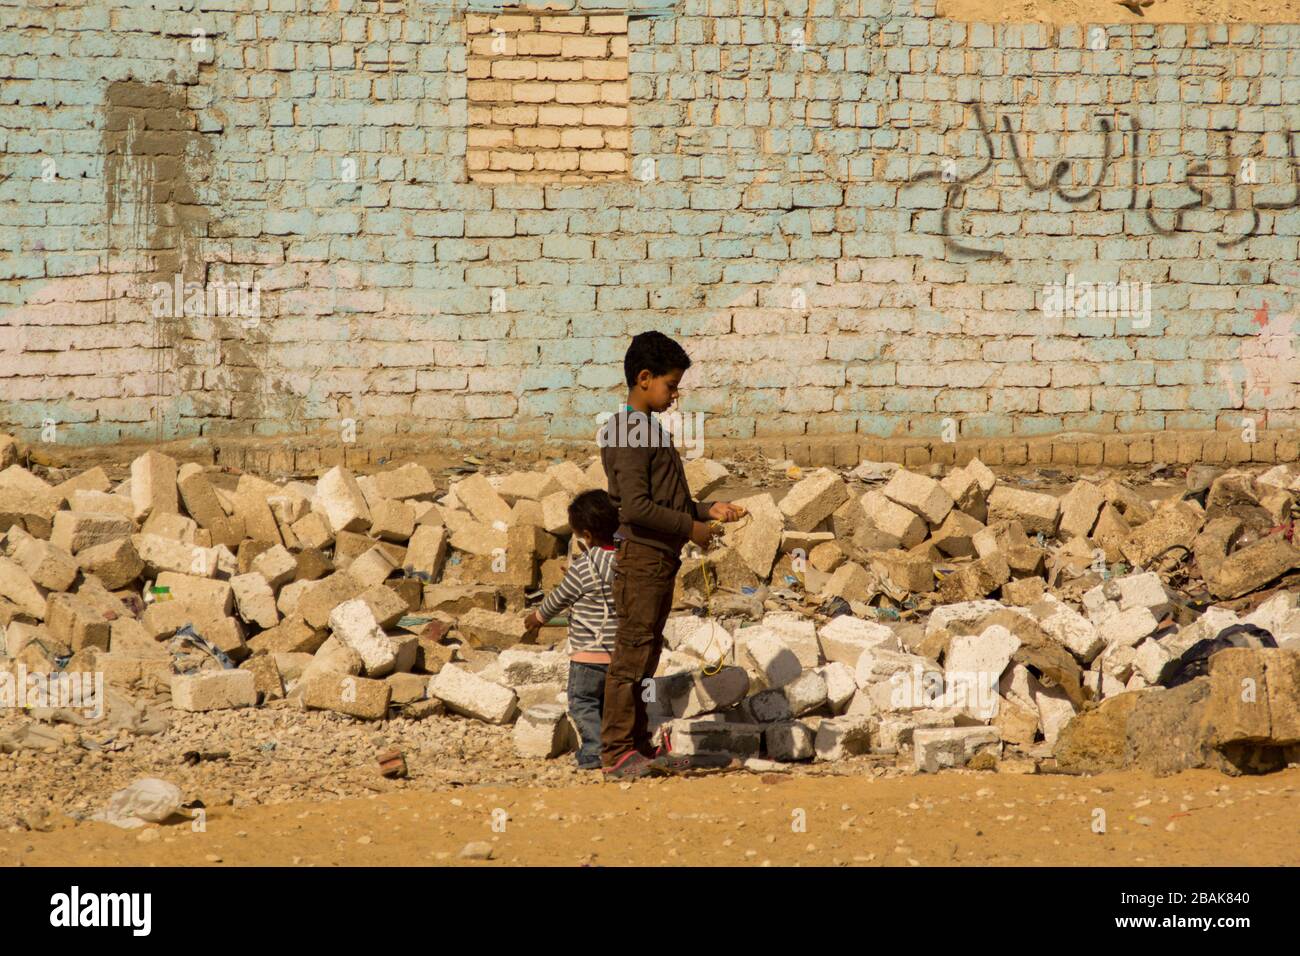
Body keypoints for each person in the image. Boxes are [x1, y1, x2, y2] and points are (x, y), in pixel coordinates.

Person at [597, 331, 746, 779]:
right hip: (642, 558)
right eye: (670, 385)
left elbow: (663, 499)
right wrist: (693, 528)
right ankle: (616, 750)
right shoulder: (627, 431)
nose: (675, 395)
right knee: (631, 655)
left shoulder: (644, 428)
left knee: (646, 655)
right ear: (644, 379)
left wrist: (705, 510)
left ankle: (638, 744)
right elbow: (635, 507)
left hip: (658, 558)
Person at [522, 490, 620, 770]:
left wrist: (537, 618)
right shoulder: (626, 561)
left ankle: (594, 751)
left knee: (582, 702)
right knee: (609, 704)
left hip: (588, 655)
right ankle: (616, 746)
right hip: (619, 652)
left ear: (586, 536)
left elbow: (559, 598)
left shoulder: (584, 567)